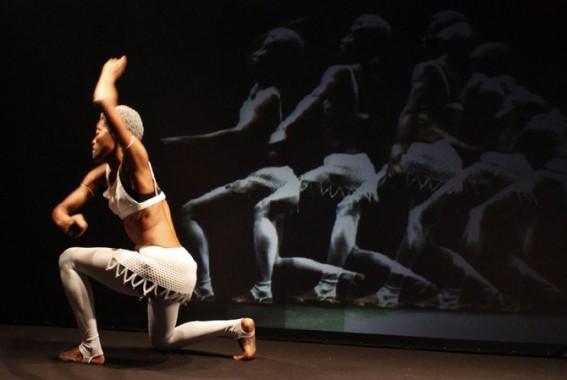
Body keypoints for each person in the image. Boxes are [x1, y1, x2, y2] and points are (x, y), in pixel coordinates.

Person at [51, 56, 256, 365]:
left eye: (98, 131)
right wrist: (67, 219)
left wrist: (107, 74)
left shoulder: (137, 167)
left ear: (117, 134)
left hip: (163, 264)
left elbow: (104, 99)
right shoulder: (101, 176)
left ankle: (90, 348)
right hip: (174, 269)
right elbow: (63, 208)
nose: (92, 139)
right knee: (164, 340)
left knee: (68, 259)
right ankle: (238, 328)